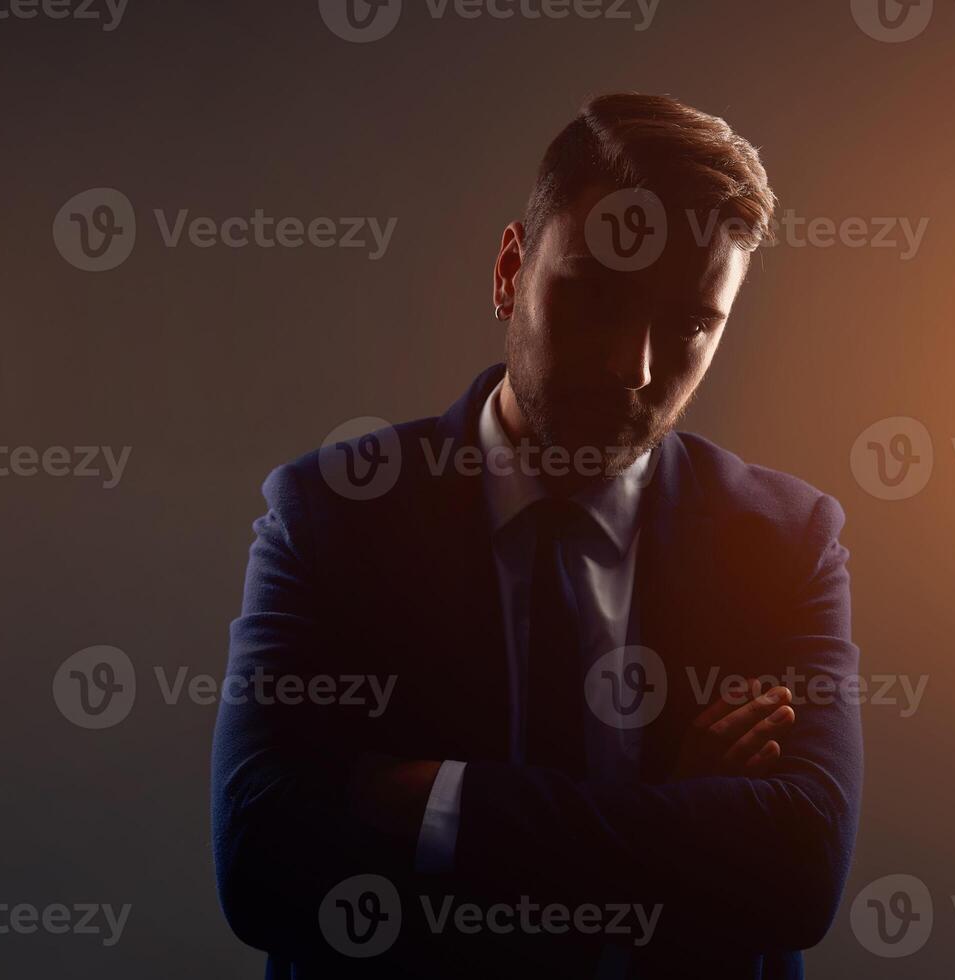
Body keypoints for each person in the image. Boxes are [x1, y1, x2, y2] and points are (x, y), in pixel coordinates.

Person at [211, 92, 863, 979]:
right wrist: (672, 813)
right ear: (509, 272)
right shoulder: (330, 516)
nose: (632, 365)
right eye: (598, 296)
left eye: (688, 325)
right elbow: (263, 867)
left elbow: (797, 876)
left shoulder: (783, 541)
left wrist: (429, 799)